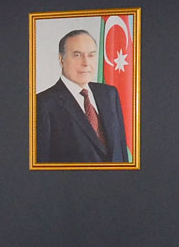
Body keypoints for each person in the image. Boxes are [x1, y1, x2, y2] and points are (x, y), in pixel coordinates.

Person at [35, 29, 127, 164]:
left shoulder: (109, 94)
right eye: (77, 55)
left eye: (91, 55)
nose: (86, 63)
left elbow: (122, 151)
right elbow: (41, 165)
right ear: (61, 59)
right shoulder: (43, 104)